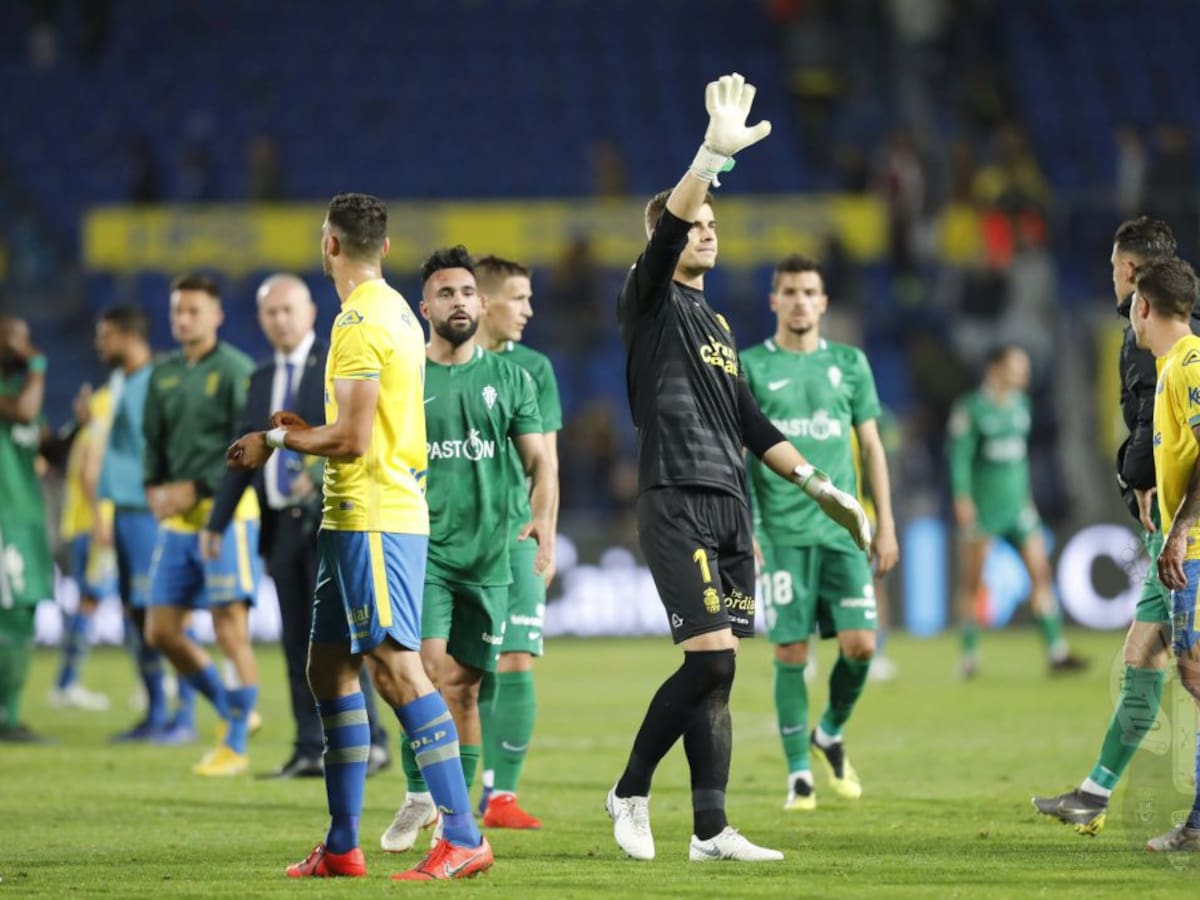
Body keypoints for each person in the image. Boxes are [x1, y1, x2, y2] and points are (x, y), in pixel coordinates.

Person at [607, 73, 869, 863]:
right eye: (697, 224)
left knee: (720, 676)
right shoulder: (647, 298)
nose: (708, 232)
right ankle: (628, 791)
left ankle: (711, 830)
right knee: (711, 658)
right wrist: (706, 159)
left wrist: (822, 487)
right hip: (675, 495)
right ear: (669, 236)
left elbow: (752, 422)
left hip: (730, 504)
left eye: (715, 223)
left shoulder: (716, 321)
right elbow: (669, 228)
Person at [227, 193, 492, 880]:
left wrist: (275, 439)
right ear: (387, 247)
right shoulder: (398, 309)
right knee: (329, 669)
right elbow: (354, 426)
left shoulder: (355, 323)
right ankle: (343, 846)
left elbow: (351, 439)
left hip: (373, 515)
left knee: (398, 671)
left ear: (330, 245)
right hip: (355, 517)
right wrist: (301, 428)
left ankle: (463, 835)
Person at [380, 246, 554, 851]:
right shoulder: (403, 375)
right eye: (445, 294)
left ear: (482, 303)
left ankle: (456, 813)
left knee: (466, 689)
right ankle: (418, 793)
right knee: (424, 671)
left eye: (466, 293)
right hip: (423, 552)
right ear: (424, 307)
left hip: (490, 558)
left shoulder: (512, 378)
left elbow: (540, 461)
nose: (458, 302)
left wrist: (542, 517)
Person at [1033, 216, 1183, 834]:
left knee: (1180, 665)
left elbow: (1151, 421)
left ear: (1128, 271)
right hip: (1170, 526)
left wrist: (1139, 478)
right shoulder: (1164, 338)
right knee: (1144, 654)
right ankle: (1094, 794)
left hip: (1180, 528)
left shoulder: (1161, 346)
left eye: (1115, 267)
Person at [207, 274, 390, 779]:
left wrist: (317, 473)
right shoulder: (261, 378)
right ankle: (310, 745)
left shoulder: (336, 364)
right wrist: (216, 523)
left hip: (331, 520)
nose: (280, 320)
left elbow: (354, 435)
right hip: (280, 528)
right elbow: (245, 453)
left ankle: (369, 739)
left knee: (349, 638)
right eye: (270, 312)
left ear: (311, 312)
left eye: (288, 309)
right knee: (295, 642)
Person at [742, 254, 899, 812]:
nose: (800, 301)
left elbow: (873, 446)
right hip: (782, 532)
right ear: (774, 301)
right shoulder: (752, 366)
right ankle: (797, 776)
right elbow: (740, 453)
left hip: (843, 532)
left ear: (824, 302)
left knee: (860, 646)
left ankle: (829, 731)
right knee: (789, 650)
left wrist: (885, 523)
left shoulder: (851, 364)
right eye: (790, 291)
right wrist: (748, 526)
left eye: (810, 291)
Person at [142, 274, 262, 775]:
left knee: (229, 628)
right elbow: (155, 440)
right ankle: (232, 705)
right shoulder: (163, 373)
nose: (183, 319)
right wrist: (153, 487)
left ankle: (234, 743)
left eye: (193, 310)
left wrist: (195, 487)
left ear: (217, 316)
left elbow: (250, 446)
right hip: (178, 523)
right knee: (162, 631)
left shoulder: (237, 370)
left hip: (229, 517)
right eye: (177, 311)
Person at [472, 254, 561, 828]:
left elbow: (546, 460)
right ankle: (454, 791)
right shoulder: (434, 364)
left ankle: (502, 796)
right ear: (482, 301)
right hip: (455, 540)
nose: (528, 310)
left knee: (517, 658)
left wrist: (546, 530)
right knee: (458, 669)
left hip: (517, 533)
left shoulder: (535, 368)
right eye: (518, 298)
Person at [948, 345, 1086, 678]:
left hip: (1019, 509)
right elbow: (959, 458)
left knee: (1040, 574)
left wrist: (1027, 499)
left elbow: (1018, 460)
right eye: (1016, 367)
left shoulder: (1022, 407)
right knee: (972, 583)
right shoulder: (971, 409)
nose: (1024, 374)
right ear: (995, 368)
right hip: (983, 510)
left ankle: (1056, 651)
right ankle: (969, 657)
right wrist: (962, 499)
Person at [93, 304, 197, 743]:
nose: (99, 345)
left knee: (164, 613)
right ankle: (156, 711)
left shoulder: (155, 381)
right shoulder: (121, 381)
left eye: (104, 336)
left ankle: (185, 716)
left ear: (124, 335)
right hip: (124, 509)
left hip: (147, 513)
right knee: (137, 616)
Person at [1124, 256, 1200, 851]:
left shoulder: (1189, 365)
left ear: (1143, 306)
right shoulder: (1175, 365)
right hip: (1190, 547)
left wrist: (1177, 533)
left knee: (1196, 673)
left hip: (1196, 550)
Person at [0, 315, 65, 743]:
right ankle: (8, 719)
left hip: (28, 520)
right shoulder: (16, 397)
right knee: (10, 617)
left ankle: (13, 715)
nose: (20, 349)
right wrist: (38, 365)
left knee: (23, 616)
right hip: (4, 520)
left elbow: (49, 449)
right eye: (10, 340)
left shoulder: (26, 397)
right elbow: (23, 412)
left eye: (25, 340)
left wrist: (75, 429)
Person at [49, 377, 115, 711]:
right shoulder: (102, 423)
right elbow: (91, 476)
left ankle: (67, 682)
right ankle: (66, 682)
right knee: (91, 601)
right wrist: (102, 522)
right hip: (93, 525)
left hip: (80, 524)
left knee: (98, 601)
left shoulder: (86, 428)